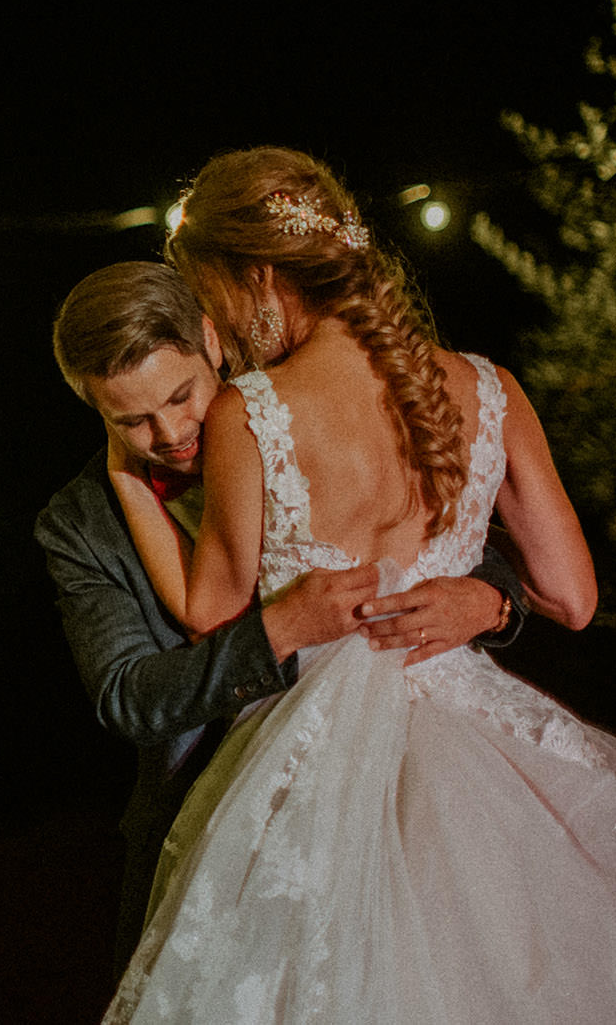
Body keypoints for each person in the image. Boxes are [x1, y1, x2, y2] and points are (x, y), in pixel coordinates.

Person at [104, 146, 616, 1021]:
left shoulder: (251, 411)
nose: (217, 330)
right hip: (483, 756)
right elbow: (573, 595)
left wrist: (126, 477)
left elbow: (212, 615)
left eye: (214, 297)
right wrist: (488, 600)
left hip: (320, 768)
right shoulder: (491, 388)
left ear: (259, 276)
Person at [34, 260, 528, 979]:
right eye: (130, 420)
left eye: (181, 395)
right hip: (205, 847)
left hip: (405, 812)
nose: (170, 432)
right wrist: (280, 628)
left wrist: (492, 599)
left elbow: (462, 530)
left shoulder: (297, 413)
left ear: (213, 339)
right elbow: (130, 695)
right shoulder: (79, 525)